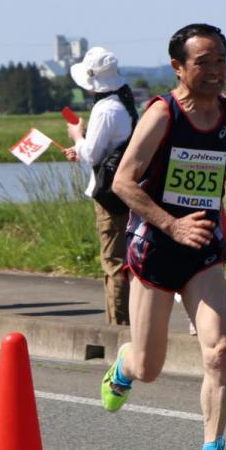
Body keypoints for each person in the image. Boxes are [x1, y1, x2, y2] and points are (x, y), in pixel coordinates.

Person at [100, 23, 226, 450]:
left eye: (221, 60)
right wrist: (172, 224)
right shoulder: (162, 114)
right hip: (157, 248)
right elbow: (123, 182)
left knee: (220, 350)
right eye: (203, 62)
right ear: (178, 67)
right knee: (149, 368)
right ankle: (124, 365)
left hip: (202, 251)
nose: (215, 70)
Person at [63, 46, 137, 325]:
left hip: (109, 195)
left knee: (113, 263)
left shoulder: (105, 110)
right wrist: (79, 148)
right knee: (126, 260)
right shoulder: (125, 105)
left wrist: (77, 135)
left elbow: (93, 154)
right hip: (126, 190)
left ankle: (117, 327)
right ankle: (128, 323)